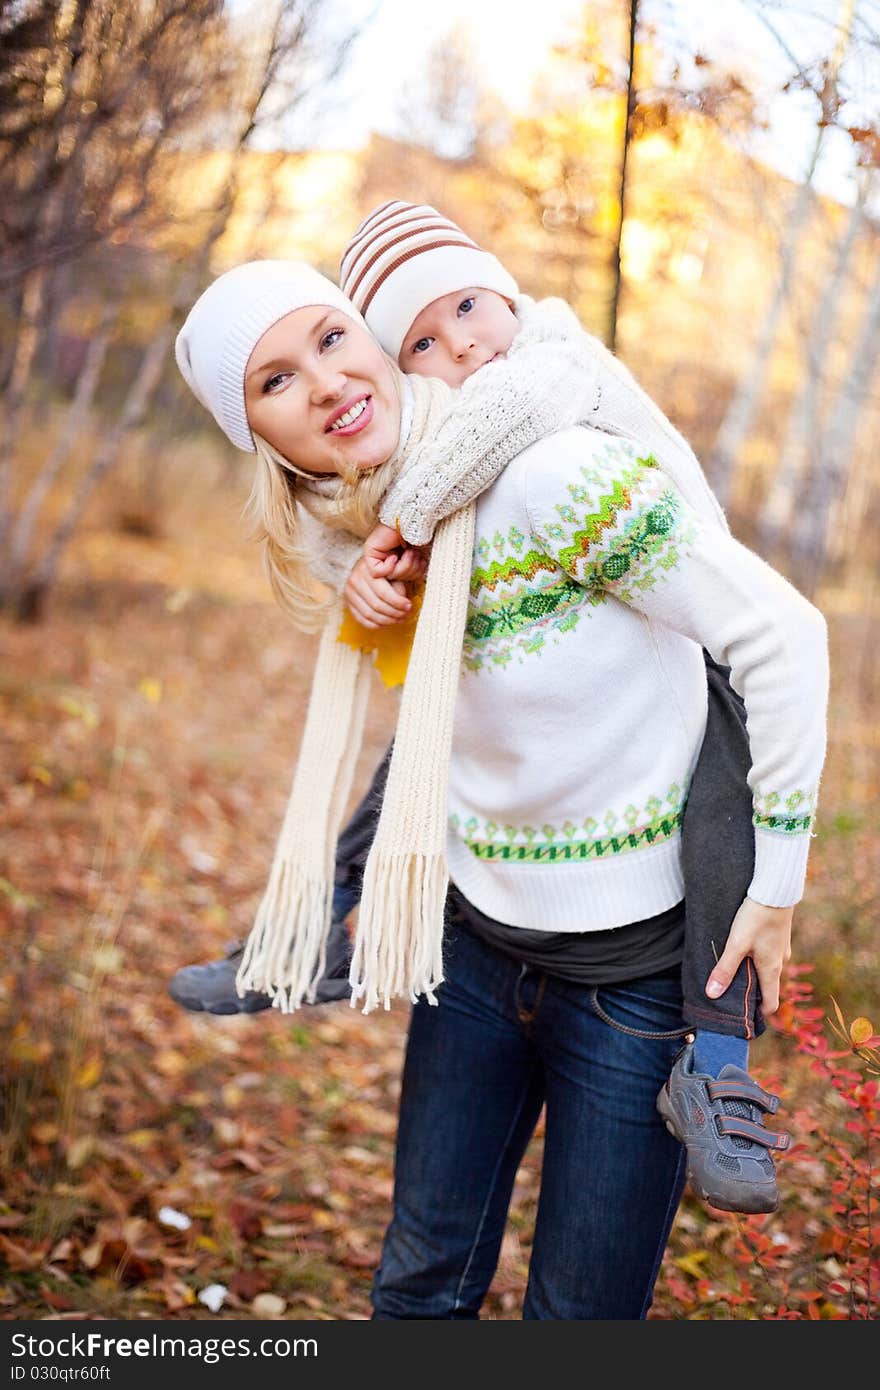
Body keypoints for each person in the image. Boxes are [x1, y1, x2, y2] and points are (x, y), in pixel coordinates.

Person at [173, 252, 828, 1318]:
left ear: (374, 344)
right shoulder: (375, 535)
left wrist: (777, 884)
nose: (328, 383)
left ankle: (716, 1070)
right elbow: (468, 718)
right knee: (420, 1284)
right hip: (473, 956)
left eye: (332, 340)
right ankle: (314, 931)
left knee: (576, 1319)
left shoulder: (550, 475)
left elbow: (785, 636)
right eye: (275, 380)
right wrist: (375, 606)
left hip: (631, 981)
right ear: (256, 436)